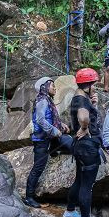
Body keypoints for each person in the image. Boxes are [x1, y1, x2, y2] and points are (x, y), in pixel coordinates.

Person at [63, 68, 106, 217]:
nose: (96, 86)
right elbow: (83, 116)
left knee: (79, 180)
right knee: (86, 185)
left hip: (80, 147)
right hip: (88, 148)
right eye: (94, 84)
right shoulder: (81, 100)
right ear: (88, 84)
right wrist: (85, 127)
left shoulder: (80, 97)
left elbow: (87, 112)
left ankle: (70, 210)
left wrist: (93, 104)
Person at [24, 77, 73, 208]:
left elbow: (50, 118)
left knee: (67, 141)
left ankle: (54, 151)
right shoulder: (42, 101)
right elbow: (40, 120)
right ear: (44, 87)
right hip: (41, 140)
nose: (55, 88)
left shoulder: (47, 100)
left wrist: (61, 125)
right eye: (52, 86)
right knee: (38, 167)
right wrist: (55, 131)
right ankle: (29, 197)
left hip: (48, 138)